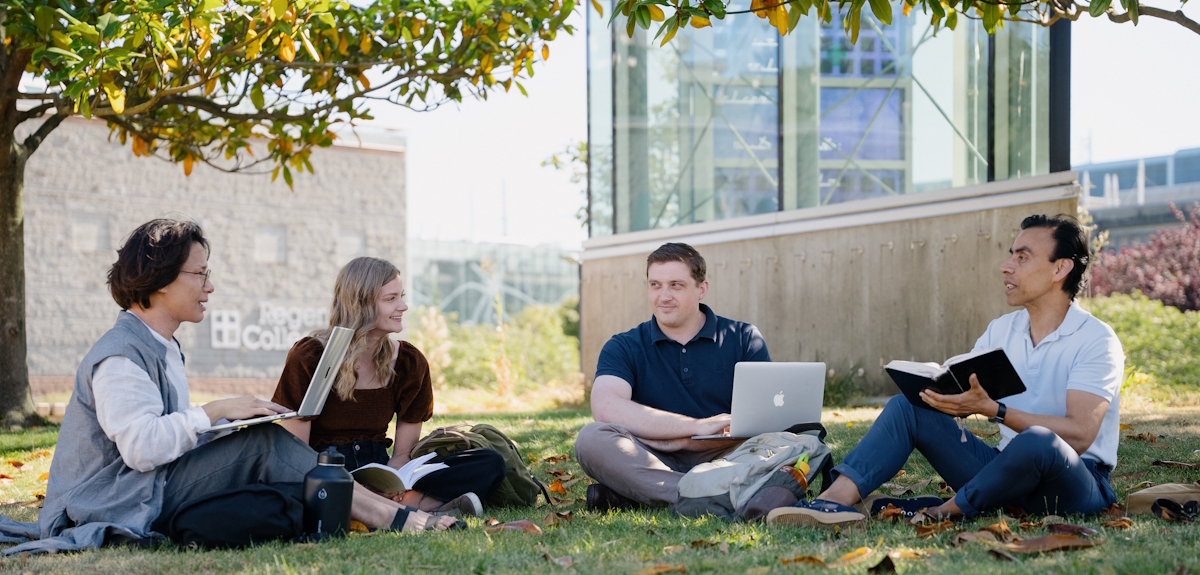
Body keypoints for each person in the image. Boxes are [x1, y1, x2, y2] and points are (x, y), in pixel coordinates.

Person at [0, 219, 456, 555]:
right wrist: (216, 410)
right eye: (199, 274)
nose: (210, 286)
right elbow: (141, 449)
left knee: (264, 446)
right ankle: (394, 516)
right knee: (266, 446)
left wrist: (223, 426)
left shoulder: (161, 346)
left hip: (145, 488)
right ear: (160, 281)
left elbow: (166, 436)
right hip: (107, 503)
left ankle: (388, 510)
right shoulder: (120, 356)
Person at [767, 214, 1123, 528]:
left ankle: (947, 510)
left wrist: (996, 411)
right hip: (1003, 473)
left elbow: (1079, 435)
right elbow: (960, 385)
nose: (1006, 266)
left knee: (1038, 441)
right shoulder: (1002, 331)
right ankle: (832, 502)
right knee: (907, 408)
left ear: (1060, 269)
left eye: (1022, 257)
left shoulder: (1095, 339)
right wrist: (937, 388)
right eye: (1010, 255)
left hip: (1073, 482)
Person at [274, 257, 506, 517]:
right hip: (326, 471)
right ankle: (414, 506)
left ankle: (387, 506)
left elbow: (402, 454)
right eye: (391, 299)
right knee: (299, 485)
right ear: (360, 304)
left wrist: (390, 482)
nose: (403, 306)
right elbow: (295, 454)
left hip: (383, 472)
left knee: (489, 462)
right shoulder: (311, 357)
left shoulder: (409, 362)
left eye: (401, 296)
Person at [574, 242, 775, 512]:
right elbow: (606, 408)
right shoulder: (623, 346)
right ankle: (712, 497)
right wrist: (695, 428)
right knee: (591, 439)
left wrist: (694, 438)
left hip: (726, 454)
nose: (663, 296)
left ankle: (639, 495)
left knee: (803, 440)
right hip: (652, 455)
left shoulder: (743, 337)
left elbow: (763, 418)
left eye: (675, 285)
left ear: (701, 289)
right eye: (655, 285)